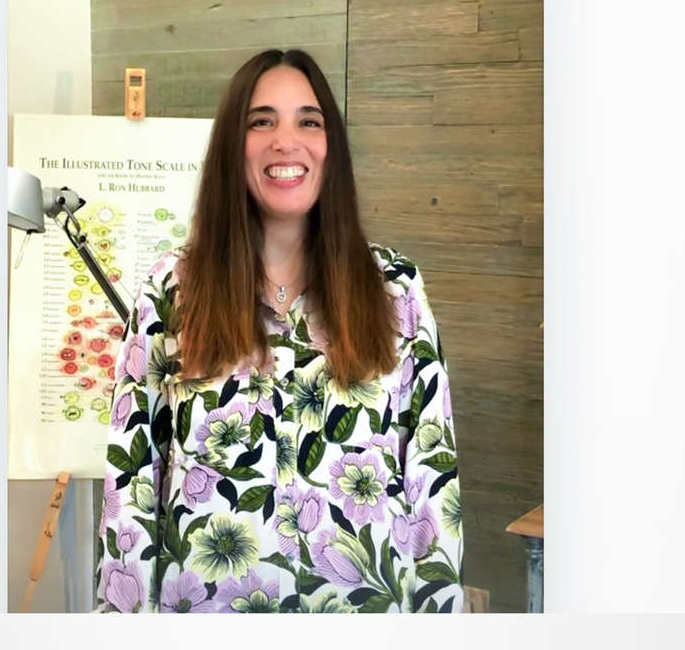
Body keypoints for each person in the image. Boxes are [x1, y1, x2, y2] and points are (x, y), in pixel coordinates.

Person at [94, 49, 464, 613]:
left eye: (308, 122)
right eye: (261, 121)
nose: (285, 142)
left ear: (331, 146)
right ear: (231, 146)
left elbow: (433, 484)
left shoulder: (395, 290)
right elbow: (131, 485)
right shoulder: (172, 291)